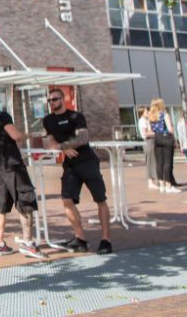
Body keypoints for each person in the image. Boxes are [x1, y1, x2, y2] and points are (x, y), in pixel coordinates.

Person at [42, 88, 113, 255]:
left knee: (100, 199)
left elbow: (83, 138)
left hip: (87, 161)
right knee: (67, 200)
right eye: (49, 100)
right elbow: (48, 144)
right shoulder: (48, 120)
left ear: (63, 99)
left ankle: (106, 240)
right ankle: (80, 239)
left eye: (55, 99)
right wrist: (63, 149)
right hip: (70, 165)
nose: (52, 102)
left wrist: (64, 146)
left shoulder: (76, 116)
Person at [0, 99, 45, 259]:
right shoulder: (1, 115)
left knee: (0, 206)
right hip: (12, 165)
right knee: (25, 199)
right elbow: (15, 135)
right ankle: (28, 244)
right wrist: (28, 135)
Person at [149, 98, 181, 193]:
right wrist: (174, 137)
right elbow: (170, 129)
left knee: (159, 162)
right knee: (168, 162)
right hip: (166, 137)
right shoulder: (164, 115)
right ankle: (168, 185)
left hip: (157, 138)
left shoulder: (151, 116)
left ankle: (161, 185)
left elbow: (152, 130)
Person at [137, 106, 159, 189]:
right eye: (147, 112)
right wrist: (156, 133)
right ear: (142, 112)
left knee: (153, 161)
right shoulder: (142, 121)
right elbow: (145, 133)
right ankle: (150, 181)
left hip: (151, 142)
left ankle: (153, 180)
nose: (149, 113)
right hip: (148, 142)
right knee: (150, 162)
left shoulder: (147, 120)